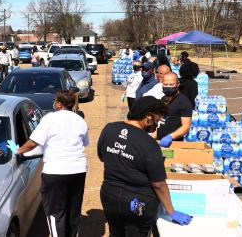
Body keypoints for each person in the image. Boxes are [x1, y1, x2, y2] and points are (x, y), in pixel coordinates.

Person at [97, 96, 192, 237]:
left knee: (116, 232)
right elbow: (159, 184)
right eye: (157, 120)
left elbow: (101, 157)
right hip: (137, 203)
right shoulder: (149, 144)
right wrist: (171, 211)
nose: (157, 125)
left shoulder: (109, 129)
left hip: (110, 196)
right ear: (148, 116)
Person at [16, 91, 89, 237]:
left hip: (56, 171)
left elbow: (33, 142)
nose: (53, 102)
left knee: (56, 212)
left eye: (55, 100)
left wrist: (18, 151)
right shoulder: (80, 120)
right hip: (78, 170)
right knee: (73, 211)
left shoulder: (50, 118)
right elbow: (84, 143)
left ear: (59, 104)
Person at [154, 72, 193, 147]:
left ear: (178, 84)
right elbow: (160, 123)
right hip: (159, 143)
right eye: (165, 84)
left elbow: (186, 126)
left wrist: (170, 137)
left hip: (173, 144)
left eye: (171, 84)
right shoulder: (163, 99)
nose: (168, 87)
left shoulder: (184, 102)